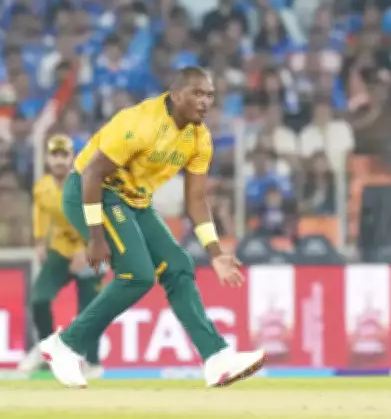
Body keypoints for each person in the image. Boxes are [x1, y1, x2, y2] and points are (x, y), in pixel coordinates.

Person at [38, 67, 266, 388]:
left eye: (209, 95)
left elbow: (196, 200)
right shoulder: (140, 123)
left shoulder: (199, 138)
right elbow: (92, 174)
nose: (205, 102)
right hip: (92, 192)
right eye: (197, 94)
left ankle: (217, 358)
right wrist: (96, 237)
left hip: (134, 200)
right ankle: (65, 346)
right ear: (176, 96)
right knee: (138, 275)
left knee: (178, 265)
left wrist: (216, 253)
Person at [18, 135, 105, 379]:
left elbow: (99, 217)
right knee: (39, 299)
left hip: (90, 249)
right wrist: (39, 241)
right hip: (61, 248)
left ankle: (92, 362)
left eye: (63, 155)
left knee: (91, 309)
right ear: (47, 159)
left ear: (72, 158)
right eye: (54, 155)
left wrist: (87, 249)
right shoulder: (42, 187)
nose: (58, 160)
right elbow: (40, 213)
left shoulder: (84, 183)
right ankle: (47, 350)